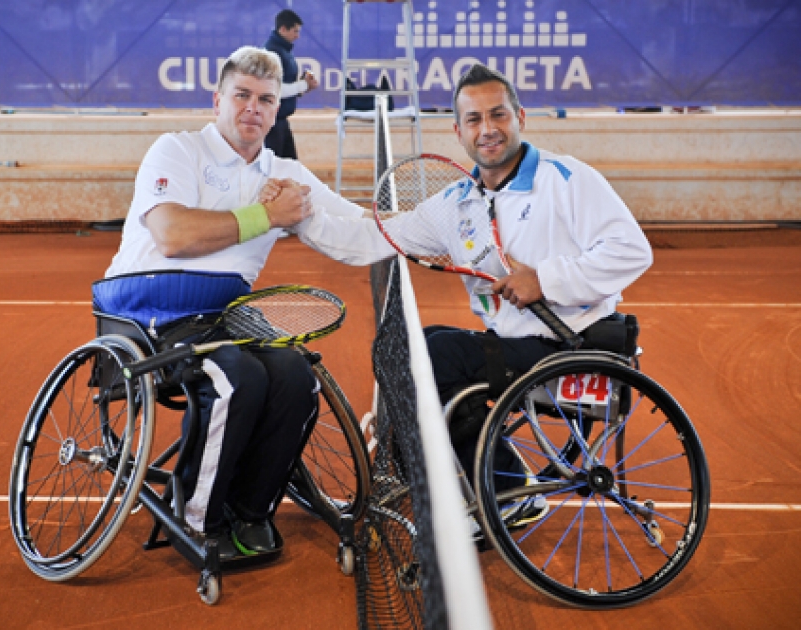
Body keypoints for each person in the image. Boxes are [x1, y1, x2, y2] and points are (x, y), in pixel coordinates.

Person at [94, 46, 391, 560]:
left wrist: (434, 234)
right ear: (218, 100)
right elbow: (172, 235)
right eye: (242, 95)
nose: (253, 107)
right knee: (238, 377)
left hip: (223, 316)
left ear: (277, 111)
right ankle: (197, 518)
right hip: (145, 311)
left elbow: (357, 227)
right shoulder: (176, 149)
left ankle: (250, 512)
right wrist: (265, 216)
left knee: (297, 377)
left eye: (266, 99)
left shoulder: (285, 173)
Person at [422, 64, 653, 524]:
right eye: (474, 119)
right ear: (458, 131)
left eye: (498, 115)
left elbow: (632, 252)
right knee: (424, 343)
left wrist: (544, 279)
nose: (487, 129)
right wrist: (294, 210)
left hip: (570, 348)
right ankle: (487, 480)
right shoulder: (459, 200)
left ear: (520, 117)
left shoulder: (568, 178)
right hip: (519, 345)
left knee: (440, 356)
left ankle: (511, 493)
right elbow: (381, 233)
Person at [263, 9, 318, 159]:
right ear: (282, 29)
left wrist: (302, 86)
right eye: (295, 31)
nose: (297, 36)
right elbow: (275, 89)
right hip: (273, 123)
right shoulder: (273, 53)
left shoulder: (283, 50)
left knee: (290, 166)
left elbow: (285, 84)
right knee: (277, 169)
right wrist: (304, 85)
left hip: (280, 120)